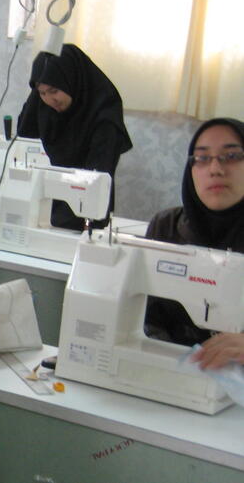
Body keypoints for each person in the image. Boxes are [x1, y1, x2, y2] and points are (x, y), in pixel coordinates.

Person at [145, 118, 244, 348]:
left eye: (231, 156)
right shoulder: (166, 226)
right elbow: (149, 317)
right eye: (202, 158)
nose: (215, 169)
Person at [17, 43, 133, 230]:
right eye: (42, 93)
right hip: (47, 207)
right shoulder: (45, 108)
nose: (49, 100)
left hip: (86, 213)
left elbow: (97, 177)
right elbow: (24, 134)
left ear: (71, 80)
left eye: (54, 91)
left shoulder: (104, 116)